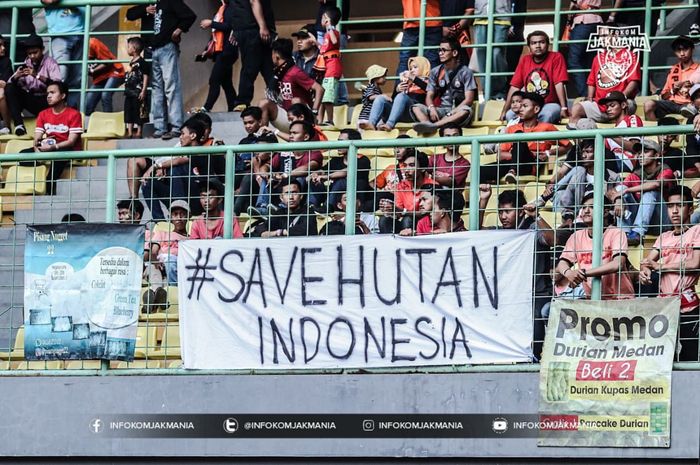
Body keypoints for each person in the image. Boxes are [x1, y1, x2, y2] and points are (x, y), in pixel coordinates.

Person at [479, 185, 557, 357]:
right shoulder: (499, 232)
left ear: (521, 212)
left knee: (535, 322)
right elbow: (477, 232)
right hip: (508, 294)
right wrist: (483, 200)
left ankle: (535, 358)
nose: (503, 216)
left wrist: (536, 216)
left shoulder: (532, 230)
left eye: (508, 211)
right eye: (500, 212)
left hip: (537, 293)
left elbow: (553, 239)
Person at [640, 185, 700, 361]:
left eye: (680, 205)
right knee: (664, 356)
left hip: (688, 305)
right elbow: (647, 262)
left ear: (691, 208)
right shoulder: (663, 237)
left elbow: (695, 263)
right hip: (664, 306)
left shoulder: (697, 231)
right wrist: (645, 271)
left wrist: (660, 266)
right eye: (670, 206)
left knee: (690, 355)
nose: (674, 211)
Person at [133, 0, 196, 140]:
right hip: (154, 50)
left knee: (170, 87)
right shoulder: (151, 4)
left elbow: (190, 16)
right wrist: (145, 9)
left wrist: (179, 30)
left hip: (167, 48)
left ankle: (176, 126)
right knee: (158, 89)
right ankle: (160, 127)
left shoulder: (170, 2)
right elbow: (130, 13)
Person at [556, 191, 635, 300]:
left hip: (620, 299)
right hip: (593, 300)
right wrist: (568, 273)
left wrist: (583, 274)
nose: (586, 210)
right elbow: (562, 263)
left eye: (592, 207)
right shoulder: (576, 236)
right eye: (584, 207)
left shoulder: (616, 233)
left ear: (605, 212)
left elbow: (617, 264)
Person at [484, 92, 571, 183]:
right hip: (510, 164)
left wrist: (549, 152)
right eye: (520, 106)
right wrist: (530, 154)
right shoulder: (511, 129)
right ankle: (510, 172)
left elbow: (568, 146)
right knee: (479, 171)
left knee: (518, 136)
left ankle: (512, 171)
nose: (520, 109)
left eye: (525, 106)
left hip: (529, 165)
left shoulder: (547, 127)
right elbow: (500, 155)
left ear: (536, 109)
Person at [569, 25, 641, 125]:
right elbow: (591, 82)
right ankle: (576, 140)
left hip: (621, 103)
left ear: (615, 35)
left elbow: (633, 82)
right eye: (600, 36)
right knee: (576, 108)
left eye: (605, 35)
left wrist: (620, 99)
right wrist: (590, 98)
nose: (601, 39)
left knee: (629, 104)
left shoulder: (630, 55)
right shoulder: (598, 57)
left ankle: (622, 138)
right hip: (600, 105)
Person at [140, 118, 206, 220]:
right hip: (178, 193)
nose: (180, 137)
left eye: (183, 134)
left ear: (193, 135)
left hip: (196, 198)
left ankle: (180, 214)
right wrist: (157, 167)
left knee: (176, 168)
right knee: (147, 183)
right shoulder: (181, 147)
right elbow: (166, 159)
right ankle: (160, 222)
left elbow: (180, 160)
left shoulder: (202, 151)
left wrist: (158, 166)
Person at [613, 139, 675, 246]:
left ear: (656, 155)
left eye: (645, 152)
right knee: (621, 191)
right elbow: (617, 190)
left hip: (662, 222)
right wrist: (619, 200)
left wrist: (626, 190)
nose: (641, 155)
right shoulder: (636, 174)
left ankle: (637, 232)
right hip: (643, 220)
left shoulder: (666, 170)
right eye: (639, 152)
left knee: (650, 192)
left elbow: (655, 184)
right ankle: (624, 233)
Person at [411, 37, 478, 134]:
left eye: (444, 50)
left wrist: (452, 113)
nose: (440, 53)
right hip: (441, 111)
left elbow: (468, 100)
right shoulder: (435, 72)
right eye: (439, 50)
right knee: (415, 107)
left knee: (466, 110)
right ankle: (426, 124)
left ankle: (434, 126)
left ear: (454, 53)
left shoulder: (466, 72)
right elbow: (429, 95)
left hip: (457, 111)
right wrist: (431, 107)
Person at [499, 31, 569, 124]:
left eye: (542, 42)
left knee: (546, 114)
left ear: (548, 45)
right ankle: (522, 138)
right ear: (529, 47)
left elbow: (559, 83)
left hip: (550, 104)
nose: (538, 46)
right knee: (510, 115)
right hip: (529, 105)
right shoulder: (525, 60)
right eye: (534, 43)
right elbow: (514, 87)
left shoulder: (556, 57)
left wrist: (564, 108)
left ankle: (538, 138)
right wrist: (505, 110)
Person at [258, 38, 323, 132]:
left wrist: (315, 111)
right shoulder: (278, 73)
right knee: (263, 103)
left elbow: (319, 89)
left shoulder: (295, 72)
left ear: (276, 56)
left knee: (295, 101)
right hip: (287, 115)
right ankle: (263, 137)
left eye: (272, 54)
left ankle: (301, 132)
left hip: (303, 118)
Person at [31, 80, 83, 195]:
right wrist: (37, 148)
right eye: (47, 93)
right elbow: (37, 138)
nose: (48, 96)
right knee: (22, 155)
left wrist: (53, 147)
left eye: (52, 93)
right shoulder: (43, 114)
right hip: (49, 147)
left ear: (63, 95)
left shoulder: (74, 114)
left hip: (66, 149)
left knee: (57, 160)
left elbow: (71, 141)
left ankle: (49, 193)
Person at [5, 35, 60, 136]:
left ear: (42, 49)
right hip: (32, 99)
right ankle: (19, 125)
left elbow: (57, 85)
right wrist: (16, 76)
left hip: (46, 100)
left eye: (35, 52)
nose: (32, 56)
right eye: (29, 53)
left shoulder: (51, 63)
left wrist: (37, 76)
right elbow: (11, 85)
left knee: (57, 91)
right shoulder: (26, 63)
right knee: (9, 87)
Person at [553, 138, 621, 215]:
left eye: (588, 152)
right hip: (581, 218)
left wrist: (618, 200)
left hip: (604, 218)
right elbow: (567, 204)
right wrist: (569, 217)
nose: (584, 155)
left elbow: (619, 195)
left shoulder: (613, 177)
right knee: (560, 194)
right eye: (582, 152)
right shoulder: (578, 176)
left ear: (599, 153)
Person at [308, 128, 371, 210]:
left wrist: (328, 176)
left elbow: (347, 171)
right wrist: (316, 174)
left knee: (341, 181)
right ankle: (310, 206)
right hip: (337, 198)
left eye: (342, 141)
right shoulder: (336, 160)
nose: (338, 144)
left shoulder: (363, 159)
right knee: (314, 181)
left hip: (356, 199)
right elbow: (323, 170)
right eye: (338, 141)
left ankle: (327, 207)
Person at [231, 0, 276, 112]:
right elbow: (254, 1)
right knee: (251, 66)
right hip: (253, 29)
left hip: (245, 28)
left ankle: (276, 97)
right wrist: (263, 26)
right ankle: (242, 101)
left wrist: (235, 28)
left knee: (267, 67)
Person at [378, 151, 437, 233]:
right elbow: (399, 213)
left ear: (423, 169)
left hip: (425, 225)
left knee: (407, 220)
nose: (406, 169)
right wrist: (391, 209)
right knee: (384, 220)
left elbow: (425, 213)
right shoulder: (401, 186)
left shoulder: (432, 185)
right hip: (405, 223)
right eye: (405, 166)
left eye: (412, 165)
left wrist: (402, 211)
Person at [40, 0, 84, 108]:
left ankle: (70, 111)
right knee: (60, 77)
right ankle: (57, 112)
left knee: (76, 79)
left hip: (80, 33)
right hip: (60, 34)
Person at [644, 36, 699, 121]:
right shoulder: (673, 69)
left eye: (685, 49)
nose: (682, 53)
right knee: (648, 105)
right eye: (678, 50)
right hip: (671, 104)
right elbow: (663, 96)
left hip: (689, 104)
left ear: (692, 49)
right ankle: (656, 133)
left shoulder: (698, 69)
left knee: (690, 109)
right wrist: (673, 90)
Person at [199, 0, 238, 112]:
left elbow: (229, 26)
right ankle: (233, 107)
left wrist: (211, 23)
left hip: (227, 51)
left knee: (214, 79)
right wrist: (207, 49)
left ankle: (207, 107)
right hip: (221, 51)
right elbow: (215, 33)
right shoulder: (222, 9)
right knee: (226, 83)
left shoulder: (231, 8)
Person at [370, 56, 430, 131]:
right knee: (380, 98)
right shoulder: (407, 81)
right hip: (398, 114)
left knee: (402, 96)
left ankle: (389, 124)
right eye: (410, 68)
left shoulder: (429, 81)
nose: (412, 71)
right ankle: (371, 124)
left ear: (423, 67)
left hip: (414, 114)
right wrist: (397, 90)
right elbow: (393, 100)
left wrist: (414, 78)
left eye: (415, 67)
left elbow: (428, 89)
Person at [268, 120, 323, 202]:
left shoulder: (314, 153)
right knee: (267, 179)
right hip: (283, 189)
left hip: (303, 192)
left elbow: (307, 168)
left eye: (295, 133)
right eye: (290, 133)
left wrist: (284, 175)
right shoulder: (284, 152)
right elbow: (268, 165)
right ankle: (263, 206)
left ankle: (308, 207)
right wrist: (267, 174)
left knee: (300, 178)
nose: (290, 136)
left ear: (306, 137)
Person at [473, 0, 511, 99]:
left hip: (502, 17)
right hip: (481, 16)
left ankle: (499, 93)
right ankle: (487, 92)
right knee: (481, 56)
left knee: (496, 53)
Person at [253, 180, 319, 237]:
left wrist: (280, 232)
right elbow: (261, 227)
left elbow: (304, 230)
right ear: (281, 198)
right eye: (287, 193)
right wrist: (268, 233)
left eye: (294, 193)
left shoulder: (309, 212)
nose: (291, 197)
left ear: (301, 196)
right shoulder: (280, 213)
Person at [566, 0, 604, 97]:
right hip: (596, 20)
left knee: (573, 61)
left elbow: (576, 4)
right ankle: (596, 94)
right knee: (592, 61)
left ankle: (585, 95)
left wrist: (570, 14)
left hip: (583, 20)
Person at [599, 90, 643, 172]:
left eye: (612, 106)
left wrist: (612, 135)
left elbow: (635, 148)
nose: (608, 109)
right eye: (607, 107)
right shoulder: (611, 131)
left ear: (623, 105)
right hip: (612, 162)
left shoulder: (632, 118)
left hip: (627, 162)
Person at [235, 132, 278, 216]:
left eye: (261, 149)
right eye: (256, 147)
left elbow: (263, 184)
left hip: (269, 200)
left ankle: (235, 212)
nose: (257, 152)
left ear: (270, 153)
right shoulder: (255, 160)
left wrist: (256, 168)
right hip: (249, 201)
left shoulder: (274, 162)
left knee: (249, 178)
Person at [150, 200, 190, 285]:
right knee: (152, 268)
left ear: (188, 216)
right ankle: (157, 292)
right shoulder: (162, 233)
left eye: (182, 214)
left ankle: (173, 290)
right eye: (175, 214)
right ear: (170, 217)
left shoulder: (191, 239)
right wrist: (156, 262)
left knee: (170, 261)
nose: (179, 218)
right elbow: (154, 251)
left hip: (179, 267)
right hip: (159, 265)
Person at [397, 0, 442, 73]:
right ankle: (402, 84)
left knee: (406, 59)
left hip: (426, 22)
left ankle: (432, 83)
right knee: (406, 59)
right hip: (427, 22)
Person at [86, 38, 125, 115]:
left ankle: (108, 120)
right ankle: (88, 125)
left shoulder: (92, 43)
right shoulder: (76, 50)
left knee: (105, 95)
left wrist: (92, 71)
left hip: (114, 71)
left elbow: (108, 61)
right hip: (100, 77)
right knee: (88, 102)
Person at [317, 5, 342, 126]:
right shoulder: (327, 35)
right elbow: (323, 49)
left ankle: (330, 120)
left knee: (327, 98)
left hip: (332, 70)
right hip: (326, 69)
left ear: (327, 19)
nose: (321, 21)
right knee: (322, 96)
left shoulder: (334, 32)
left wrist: (329, 27)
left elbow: (335, 41)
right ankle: (320, 121)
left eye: (323, 18)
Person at [124, 37, 150, 139]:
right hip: (129, 92)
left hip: (138, 92)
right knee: (128, 111)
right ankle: (130, 132)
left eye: (129, 46)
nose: (127, 49)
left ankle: (139, 131)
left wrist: (143, 90)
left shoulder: (142, 62)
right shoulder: (131, 62)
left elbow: (145, 76)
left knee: (139, 111)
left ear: (134, 48)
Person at [430, 125, 470, 189]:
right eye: (447, 136)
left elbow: (449, 182)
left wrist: (432, 176)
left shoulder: (464, 163)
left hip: (452, 197)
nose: (451, 140)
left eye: (455, 136)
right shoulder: (434, 158)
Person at [357, 65, 388, 130]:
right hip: (366, 118)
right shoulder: (371, 87)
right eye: (383, 76)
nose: (385, 78)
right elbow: (370, 97)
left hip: (373, 118)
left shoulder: (377, 88)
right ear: (375, 77)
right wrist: (383, 96)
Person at [0, 35, 14, 134]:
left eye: (4, 45)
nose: (3, 48)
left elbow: (4, 83)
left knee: (1, 92)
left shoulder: (6, 61)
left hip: (3, 96)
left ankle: (6, 127)